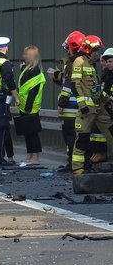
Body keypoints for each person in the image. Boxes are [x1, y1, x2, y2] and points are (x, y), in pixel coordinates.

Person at [71, 35, 113, 174]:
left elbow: (96, 88)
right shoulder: (79, 61)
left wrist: (107, 99)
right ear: (89, 50)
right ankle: (78, 170)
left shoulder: (91, 64)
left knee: (111, 131)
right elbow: (75, 85)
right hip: (87, 110)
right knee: (82, 138)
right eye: (97, 51)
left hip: (98, 107)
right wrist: (82, 105)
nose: (99, 54)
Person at [49, 31, 84, 172]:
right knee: (77, 137)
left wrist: (61, 104)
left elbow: (67, 87)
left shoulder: (72, 63)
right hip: (81, 107)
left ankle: (72, 164)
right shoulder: (85, 62)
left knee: (70, 137)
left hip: (70, 107)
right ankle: (77, 164)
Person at [0, 37, 19, 167]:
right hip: (1, 98)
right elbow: (9, 81)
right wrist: (16, 97)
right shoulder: (4, 63)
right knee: (1, 128)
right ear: (6, 48)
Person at [16, 46, 45, 165]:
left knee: (32, 133)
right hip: (24, 105)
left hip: (30, 107)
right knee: (27, 132)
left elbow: (33, 91)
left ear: (32, 56)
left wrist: (28, 107)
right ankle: (29, 154)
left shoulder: (35, 71)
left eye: (26, 54)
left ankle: (35, 156)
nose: (24, 56)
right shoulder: (27, 69)